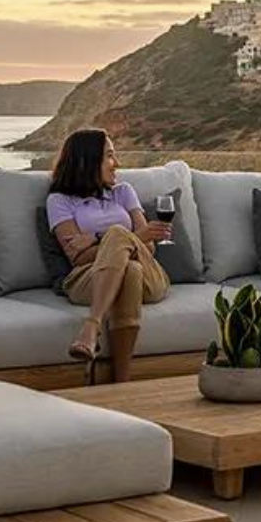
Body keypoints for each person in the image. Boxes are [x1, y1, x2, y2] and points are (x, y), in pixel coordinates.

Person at [46, 128, 172, 382]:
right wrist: (127, 240)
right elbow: (78, 258)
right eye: (110, 156)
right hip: (87, 278)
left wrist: (97, 237)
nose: (117, 163)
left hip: (151, 279)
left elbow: (148, 248)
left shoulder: (123, 192)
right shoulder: (59, 200)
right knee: (130, 270)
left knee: (119, 236)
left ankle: (92, 325)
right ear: (88, 161)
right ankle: (121, 382)